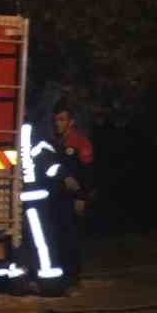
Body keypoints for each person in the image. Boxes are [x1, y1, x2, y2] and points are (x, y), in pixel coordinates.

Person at [50, 100, 94, 286]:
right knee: (58, 236)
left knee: (72, 237)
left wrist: (81, 197)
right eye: (56, 120)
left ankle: (73, 276)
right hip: (57, 198)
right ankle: (62, 274)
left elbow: (87, 173)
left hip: (73, 198)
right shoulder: (53, 142)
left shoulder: (79, 142)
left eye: (62, 120)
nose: (58, 123)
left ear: (71, 122)